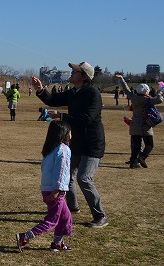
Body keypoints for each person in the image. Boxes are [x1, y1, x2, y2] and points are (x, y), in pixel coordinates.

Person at [32, 62, 108, 228]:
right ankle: (72, 208)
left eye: (75, 71)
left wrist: (61, 116)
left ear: (84, 76)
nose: (71, 73)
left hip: (92, 143)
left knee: (84, 178)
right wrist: (40, 89)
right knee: (68, 176)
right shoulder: (74, 92)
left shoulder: (92, 94)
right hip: (76, 142)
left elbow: (86, 119)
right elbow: (52, 100)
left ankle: (100, 216)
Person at [16, 120, 74, 252]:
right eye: (69, 131)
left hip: (48, 189)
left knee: (65, 217)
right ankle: (24, 237)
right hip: (55, 191)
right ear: (64, 134)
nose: (71, 134)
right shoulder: (63, 150)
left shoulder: (50, 149)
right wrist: (57, 190)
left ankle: (57, 243)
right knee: (52, 219)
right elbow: (62, 171)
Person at [115, 74, 163, 168]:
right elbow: (160, 100)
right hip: (145, 125)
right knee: (149, 144)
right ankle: (142, 157)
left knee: (135, 146)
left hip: (134, 125)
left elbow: (126, 89)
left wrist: (122, 80)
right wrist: (159, 92)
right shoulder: (149, 100)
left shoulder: (133, 97)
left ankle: (133, 162)